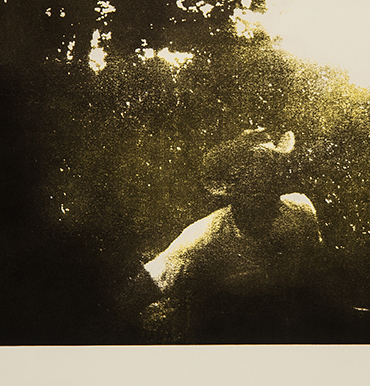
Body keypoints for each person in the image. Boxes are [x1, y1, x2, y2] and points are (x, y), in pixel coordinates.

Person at [124, 128, 323, 342]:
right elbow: (136, 293)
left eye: (271, 178)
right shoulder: (202, 237)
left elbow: (317, 272)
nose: (266, 192)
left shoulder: (300, 210)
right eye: (255, 185)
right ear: (232, 189)